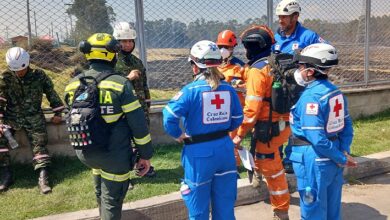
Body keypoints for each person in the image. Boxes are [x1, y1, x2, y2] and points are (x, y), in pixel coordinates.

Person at [64, 33, 153, 220]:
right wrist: (145, 154)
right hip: (114, 156)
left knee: (100, 193)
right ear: (112, 54)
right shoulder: (120, 84)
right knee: (112, 200)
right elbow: (138, 125)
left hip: (86, 152)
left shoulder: (73, 85)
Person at [163, 40, 243, 220]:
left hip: (198, 153)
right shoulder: (229, 89)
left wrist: (178, 135)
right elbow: (238, 118)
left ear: (194, 66)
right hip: (224, 149)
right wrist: (222, 130)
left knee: (198, 209)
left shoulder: (190, 91)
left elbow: (169, 118)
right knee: (225, 207)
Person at [289, 43, 356, 220]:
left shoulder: (311, 97)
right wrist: (343, 151)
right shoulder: (335, 92)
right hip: (333, 157)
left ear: (311, 71)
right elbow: (347, 126)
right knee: (332, 210)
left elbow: (316, 138)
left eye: (301, 66)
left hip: (314, 159)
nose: (299, 70)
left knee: (313, 211)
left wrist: (341, 158)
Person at [232, 25, 291, 220]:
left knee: (273, 171)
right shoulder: (274, 62)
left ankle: (281, 212)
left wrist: (239, 134)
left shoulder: (258, 70)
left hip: (267, 129)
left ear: (252, 46)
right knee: (271, 163)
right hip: (282, 124)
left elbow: (251, 111)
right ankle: (259, 173)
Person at [273, 0, 329, 173]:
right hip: (278, 88)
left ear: (295, 17)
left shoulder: (308, 37)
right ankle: (276, 157)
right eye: (280, 17)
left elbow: (326, 51)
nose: (281, 20)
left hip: (299, 89)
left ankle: (291, 159)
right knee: (275, 122)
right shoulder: (275, 37)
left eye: (285, 17)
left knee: (295, 122)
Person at [0, 47, 64, 194]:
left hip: (34, 117)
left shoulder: (39, 75)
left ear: (27, 64)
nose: (18, 73)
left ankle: (43, 177)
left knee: (39, 143)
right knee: (1, 140)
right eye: (15, 70)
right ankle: (6, 175)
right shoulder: (6, 78)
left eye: (21, 69)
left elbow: (51, 93)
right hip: (12, 118)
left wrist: (58, 112)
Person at [113, 22, 156, 180]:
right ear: (117, 42)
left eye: (130, 41)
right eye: (123, 41)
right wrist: (128, 78)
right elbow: (111, 86)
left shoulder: (137, 61)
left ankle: (142, 165)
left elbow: (144, 85)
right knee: (123, 140)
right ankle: (124, 173)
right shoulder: (112, 63)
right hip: (122, 109)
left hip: (139, 108)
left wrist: (148, 103)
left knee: (141, 137)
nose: (127, 44)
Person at [216, 29, 246, 171]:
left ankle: (233, 165)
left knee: (232, 138)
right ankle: (221, 163)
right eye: (220, 46)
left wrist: (239, 85)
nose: (223, 50)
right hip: (217, 108)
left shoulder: (239, 67)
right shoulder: (213, 65)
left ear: (233, 48)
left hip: (234, 108)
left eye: (226, 47)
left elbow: (249, 85)